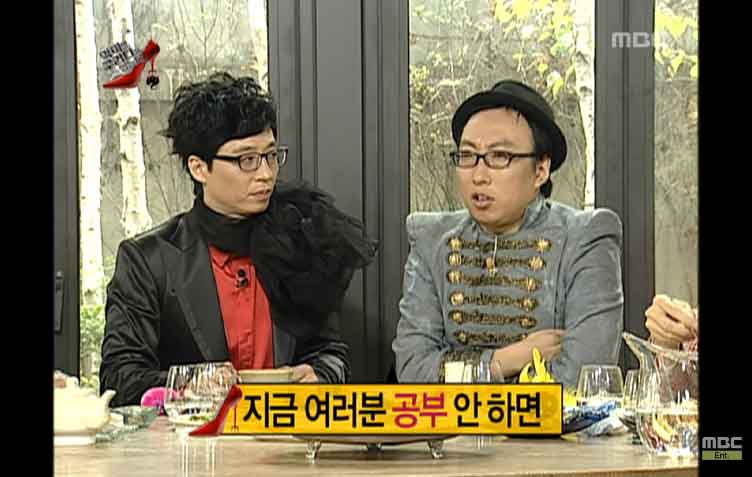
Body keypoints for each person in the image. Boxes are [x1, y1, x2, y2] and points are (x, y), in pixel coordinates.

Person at [100, 73, 377, 407]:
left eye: (271, 156)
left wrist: (321, 374)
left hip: (285, 432)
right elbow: (119, 378)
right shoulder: (148, 261)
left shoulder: (299, 238)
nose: (266, 173)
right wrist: (189, 385)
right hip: (192, 435)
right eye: (247, 160)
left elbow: (330, 352)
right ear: (199, 168)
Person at [392, 80, 624, 388]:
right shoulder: (431, 239)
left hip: (550, 422)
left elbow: (581, 379)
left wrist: (456, 373)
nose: (479, 175)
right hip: (453, 422)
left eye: (499, 156)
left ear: (540, 170)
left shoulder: (585, 238)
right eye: (467, 156)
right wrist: (507, 360)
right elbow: (413, 370)